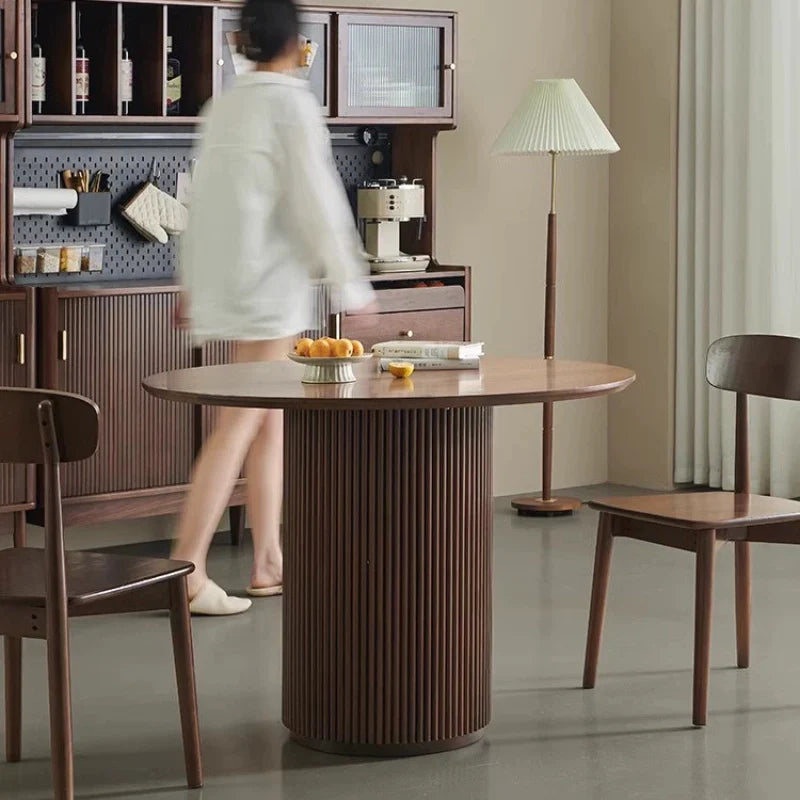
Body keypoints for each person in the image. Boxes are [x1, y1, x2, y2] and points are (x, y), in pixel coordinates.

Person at [174, 0, 374, 615]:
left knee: (268, 422)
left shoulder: (224, 104)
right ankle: (186, 571)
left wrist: (192, 287)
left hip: (235, 286)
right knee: (239, 423)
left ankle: (268, 562)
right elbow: (317, 202)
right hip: (268, 292)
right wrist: (354, 287)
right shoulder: (290, 104)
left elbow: (199, 201)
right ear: (296, 44)